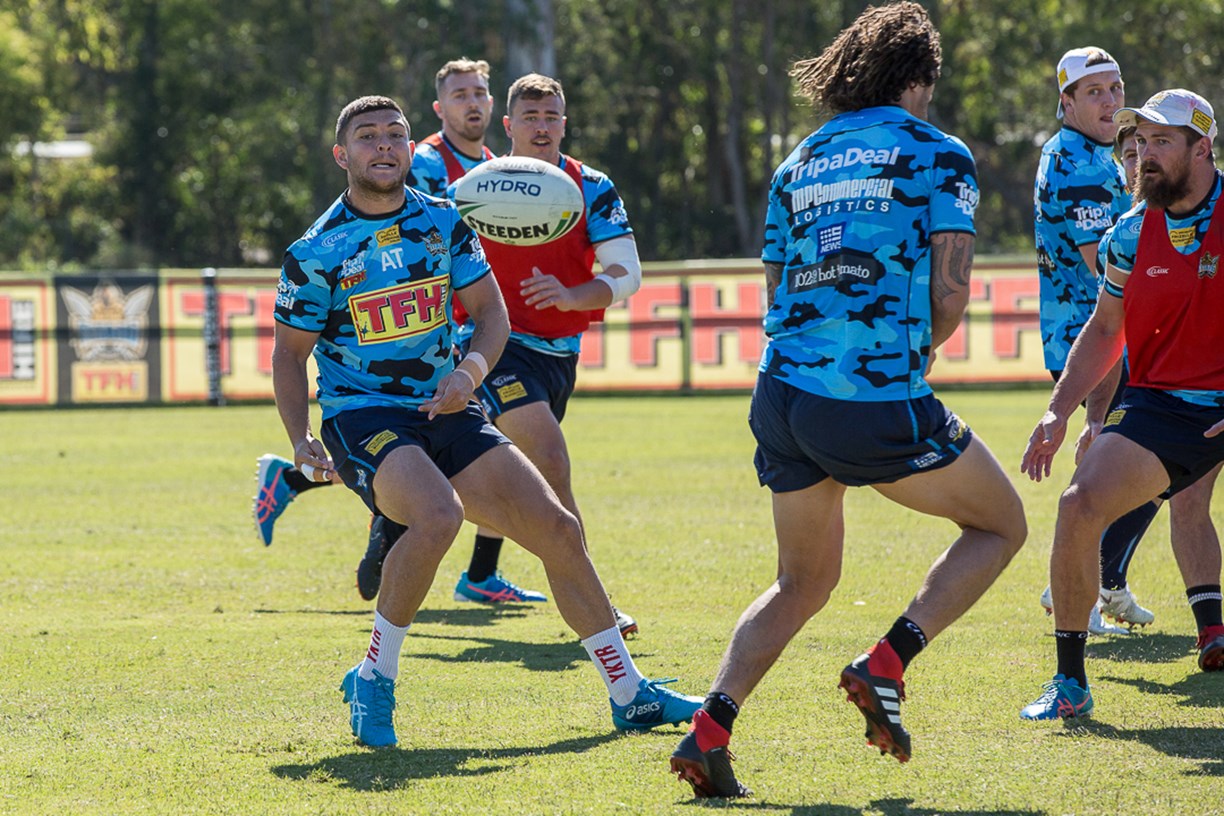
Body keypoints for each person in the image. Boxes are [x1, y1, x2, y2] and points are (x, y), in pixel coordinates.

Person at [668, 3, 1026, 798]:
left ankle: (709, 730)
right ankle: (887, 662)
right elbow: (951, 290)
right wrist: (921, 347)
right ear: (918, 77)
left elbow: (774, 286)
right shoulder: (938, 153)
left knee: (801, 582)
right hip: (869, 395)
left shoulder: (799, 161)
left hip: (781, 393)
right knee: (1002, 525)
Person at [270, 94, 701, 747]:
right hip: (364, 416)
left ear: (408, 146)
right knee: (437, 514)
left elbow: (491, 315)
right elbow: (288, 354)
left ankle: (629, 694)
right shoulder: (315, 250)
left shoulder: (444, 221)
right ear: (341, 155)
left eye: (394, 134)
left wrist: (468, 375)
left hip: (450, 406)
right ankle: (373, 677)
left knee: (558, 528)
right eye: (367, 136)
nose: (383, 145)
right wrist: (299, 436)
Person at [1020, 89, 1224, 722]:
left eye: (1162, 141)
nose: (1144, 153)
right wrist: (1059, 411)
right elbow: (1106, 329)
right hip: (1164, 405)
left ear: (1202, 148)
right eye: (1139, 141)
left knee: (1190, 508)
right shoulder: (1129, 234)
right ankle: (1070, 683)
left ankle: (1212, 628)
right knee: (1078, 504)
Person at [1033, 47, 1155, 635]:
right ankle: (1082, 587)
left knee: (1138, 467)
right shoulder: (1080, 164)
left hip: (1095, 335)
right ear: (1067, 101)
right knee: (1147, 466)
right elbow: (1101, 267)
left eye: (1116, 87)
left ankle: (1102, 581)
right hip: (1097, 338)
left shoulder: (1072, 151)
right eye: (1094, 91)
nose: (1110, 101)